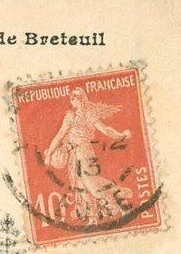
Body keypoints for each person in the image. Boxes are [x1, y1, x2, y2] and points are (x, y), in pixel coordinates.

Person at [43, 87, 134, 224]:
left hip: (85, 152)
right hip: (74, 154)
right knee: (81, 186)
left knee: (91, 183)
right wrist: (49, 153)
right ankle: (93, 218)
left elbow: (105, 129)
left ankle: (119, 200)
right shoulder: (70, 116)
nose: (71, 102)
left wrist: (120, 135)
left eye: (73, 99)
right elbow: (60, 135)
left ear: (78, 99)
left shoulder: (89, 114)